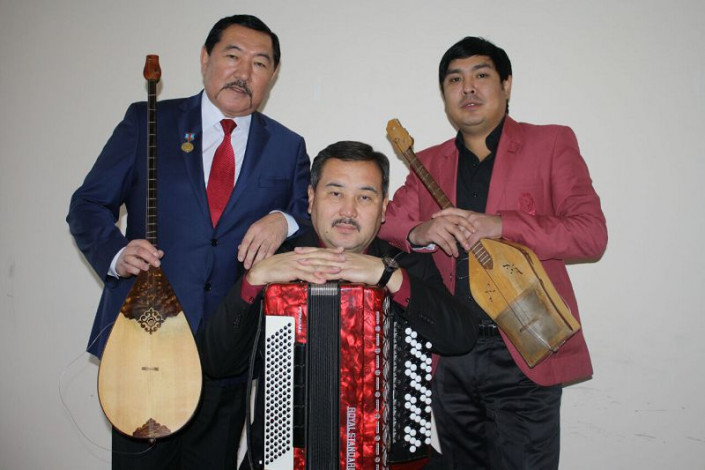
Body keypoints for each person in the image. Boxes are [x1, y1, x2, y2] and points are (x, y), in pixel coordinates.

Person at [66, 14, 311, 469]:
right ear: (205, 58)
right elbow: (87, 205)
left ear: (272, 75)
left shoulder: (287, 146)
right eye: (232, 56)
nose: (244, 72)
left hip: (228, 349)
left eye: (260, 63)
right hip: (146, 339)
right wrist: (116, 254)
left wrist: (283, 220)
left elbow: (308, 219)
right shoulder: (149, 121)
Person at [378, 37, 608, 469]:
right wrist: (420, 230)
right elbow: (384, 224)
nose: (467, 88)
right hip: (452, 353)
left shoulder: (551, 143)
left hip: (524, 346)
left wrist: (502, 224)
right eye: (454, 80)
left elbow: (590, 234)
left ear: (506, 84)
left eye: (481, 75)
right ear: (444, 94)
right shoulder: (428, 161)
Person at [198, 141, 480, 468]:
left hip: (387, 455)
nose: (349, 211)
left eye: (365, 197)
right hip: (282, 457)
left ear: (383, 209)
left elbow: (461, 337)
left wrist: (388, 275)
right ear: (311, 198)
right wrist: (255, 279)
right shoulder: (271, 262)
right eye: (335, 193)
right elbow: (218, 362)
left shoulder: (406, 265)